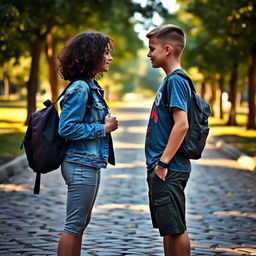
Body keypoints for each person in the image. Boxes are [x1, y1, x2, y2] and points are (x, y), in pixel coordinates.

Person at [57, 31, 118, 256]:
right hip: (80, 164)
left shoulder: (89, 86)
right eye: (106, 53)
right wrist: (103, 128)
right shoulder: (80, 88)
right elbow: (66, 128)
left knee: (79, 225)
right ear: (92, 56)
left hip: (88, 163)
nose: (110, 58)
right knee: (73, 226)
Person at [145, 24, 191, 256]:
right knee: (168, 228)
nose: (148, 54)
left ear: (168, 49)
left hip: (168, 168)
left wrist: (162, 163)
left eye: (152, 49)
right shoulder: (170, 81)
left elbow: (182, 124)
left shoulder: (175, 81)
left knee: (176, 228)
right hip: (163, 167)